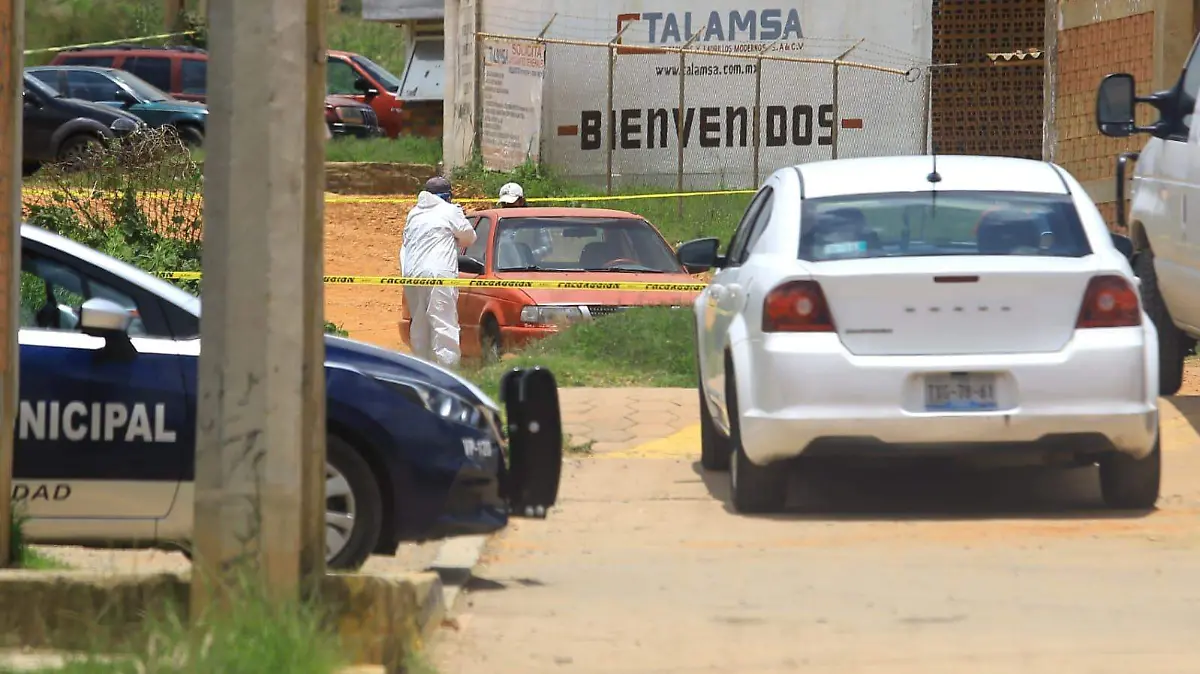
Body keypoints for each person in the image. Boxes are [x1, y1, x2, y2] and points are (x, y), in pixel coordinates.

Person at [400, 176, 476, 367]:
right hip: (438, 274)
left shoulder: (414, 213)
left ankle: (421, 371)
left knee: (419, 326)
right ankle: (448, 374)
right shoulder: (450, 210)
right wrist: (459, 217)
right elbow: (469, 238)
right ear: (447, 196)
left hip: (412, 275)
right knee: (444, 325)